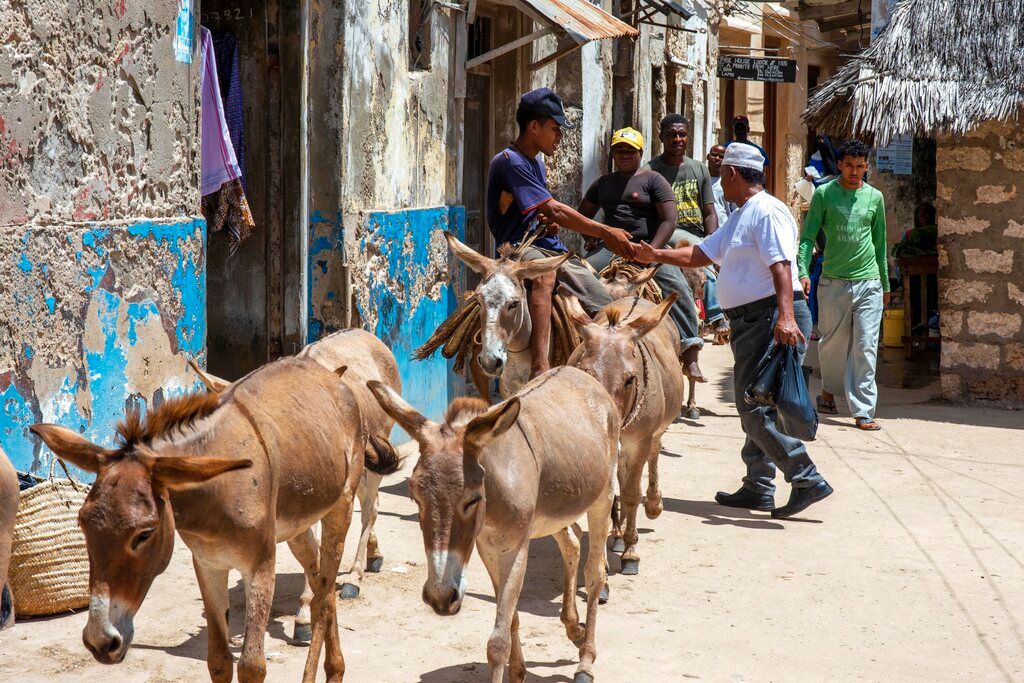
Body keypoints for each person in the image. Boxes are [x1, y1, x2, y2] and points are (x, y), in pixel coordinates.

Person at [631, 144, 833, 519]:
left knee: (753, 407)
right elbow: (702, 254)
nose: (718, 179)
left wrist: (786, 318)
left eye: (721, 172)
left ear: (733, 174)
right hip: (754, 321)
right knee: (759, 401)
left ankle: (805, 476)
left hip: (771, 318)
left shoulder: (767, 211)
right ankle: (758, 487)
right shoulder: (742, 215)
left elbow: (782, 268)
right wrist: (655, 256)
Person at [485, 87, 633, 378]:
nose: (560, 136)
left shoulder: (535, 162)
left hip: (545, 243)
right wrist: (605, 232)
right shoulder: (509, 161)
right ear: (533, 127)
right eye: (555, 128)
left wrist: (547, 223)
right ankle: (540, 364)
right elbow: (555, 209)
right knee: (544, 274)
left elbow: (539, 211)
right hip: (516, 249)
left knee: (604, 302)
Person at [578, 127, 701, 347]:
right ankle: (578, 340)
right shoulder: (602, 183)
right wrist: (592, 235)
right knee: (580, 279)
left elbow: (669, 220)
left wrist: (651, 251)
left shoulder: (654, 180)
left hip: (648, 245)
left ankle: (690, 344)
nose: (624, 155)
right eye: (619, 150)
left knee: (676, 285)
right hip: (610, 249)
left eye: (630, 151)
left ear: (640, 153)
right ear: (612, 154)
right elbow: (582, 217)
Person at [797, 139, 889, 431]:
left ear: (866, 167)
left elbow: (880, 244)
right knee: (833, 345)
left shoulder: (875, 198)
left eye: (860, 166)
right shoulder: (824, 194)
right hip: (833, 281)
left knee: (866, 345)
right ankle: (828, 391)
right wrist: (802, 270)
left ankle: (863, 410)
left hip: (869, 282)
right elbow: (808, 237)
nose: (854, 171)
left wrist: (885, 285)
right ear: (839, 164)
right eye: (849, 165)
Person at [644, 114, 718, 380]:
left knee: (712, 262)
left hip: (695, 232)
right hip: (667, 231)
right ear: (662, 136)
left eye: (682, 134)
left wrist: (714, 241)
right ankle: (715, 316)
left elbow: (709, 212)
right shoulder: (649, 170)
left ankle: (716, 317)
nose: (678, 139)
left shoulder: (699, 169)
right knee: (696, 260)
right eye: (672, 135)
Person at [703, 144, 733, 341]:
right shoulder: (702, 179)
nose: (717, 159)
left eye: (721, 156)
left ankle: (724, 321)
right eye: (714, 155)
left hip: (723, 235)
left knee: (723, 280)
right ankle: (709, 321)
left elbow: (731, 211)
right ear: (707, 156)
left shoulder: (727, 183)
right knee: (706, 278)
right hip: (706, 236)